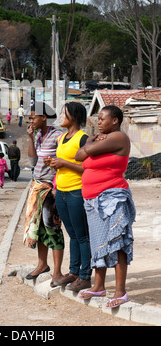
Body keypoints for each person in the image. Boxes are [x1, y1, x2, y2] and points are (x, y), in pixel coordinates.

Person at [75, 105, 136, 308]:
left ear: (115, 121)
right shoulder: (103, 139)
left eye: (102, 119)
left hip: (112, 197)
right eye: (98, 119)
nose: (98, 122)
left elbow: (87, 150)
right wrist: (92, 142)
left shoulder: (119, 137)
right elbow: (78, 156)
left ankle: (120, 292)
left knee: (117, 243)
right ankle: (99, 286)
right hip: (92, 200)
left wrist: (91, 141)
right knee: (99, 244)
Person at [45, 102, 92, 291]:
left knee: (82, 236)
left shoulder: (84, 139)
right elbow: (64, 165)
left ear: (75, 116)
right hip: (61, 192)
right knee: (72, 234)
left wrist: (64, 162)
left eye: (64, 113)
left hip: (77, 192)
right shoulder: (61, 138)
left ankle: (85, 276)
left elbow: (86, 168)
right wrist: (54, 164)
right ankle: (73, 272)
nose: (61, 117)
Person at [24, 101, 64, 285]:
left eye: (33, 117)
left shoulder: (58, 135)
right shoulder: (39, 135)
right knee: (39, 229)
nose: (30, 120)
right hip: (38, 188)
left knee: (53, 228)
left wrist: (57, 188)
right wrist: (31, 138)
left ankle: (57, 273)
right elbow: (32, 162)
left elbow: (64, 160)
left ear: (43, 117)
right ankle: (42, 265)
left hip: (51, 190)